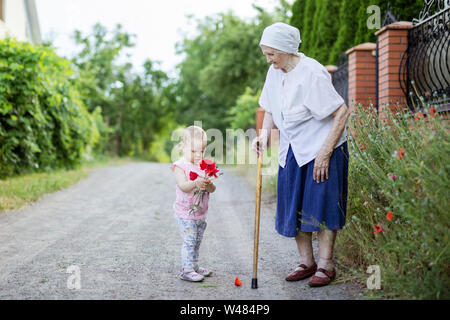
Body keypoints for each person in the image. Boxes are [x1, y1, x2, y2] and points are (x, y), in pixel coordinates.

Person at [252, 22, 351, 287]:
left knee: (323, 205)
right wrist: (263, 135)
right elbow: (270, 107)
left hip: (323, 146)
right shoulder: (275, 71)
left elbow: (341, 112)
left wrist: (325, 153)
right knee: (294, 204)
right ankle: (307, 262)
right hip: (293, 149)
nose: (268, 59)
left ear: (286, 49)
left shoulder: (312, 73)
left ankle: (326, 265)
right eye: (266, 53)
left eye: (271, 53)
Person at [170, 126, 216, 282]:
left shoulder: (203, 167)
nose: (198, 155)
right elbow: (183, 185)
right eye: (193, 151)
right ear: (183, 147)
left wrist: (208, 184)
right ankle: (186, 269)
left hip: (200, 213)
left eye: (201, 151)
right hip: (185, 213)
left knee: (197, 240)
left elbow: (212, 189)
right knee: (189, 240)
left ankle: (194, 265)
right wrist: (196, 183)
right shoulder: (180, 166)